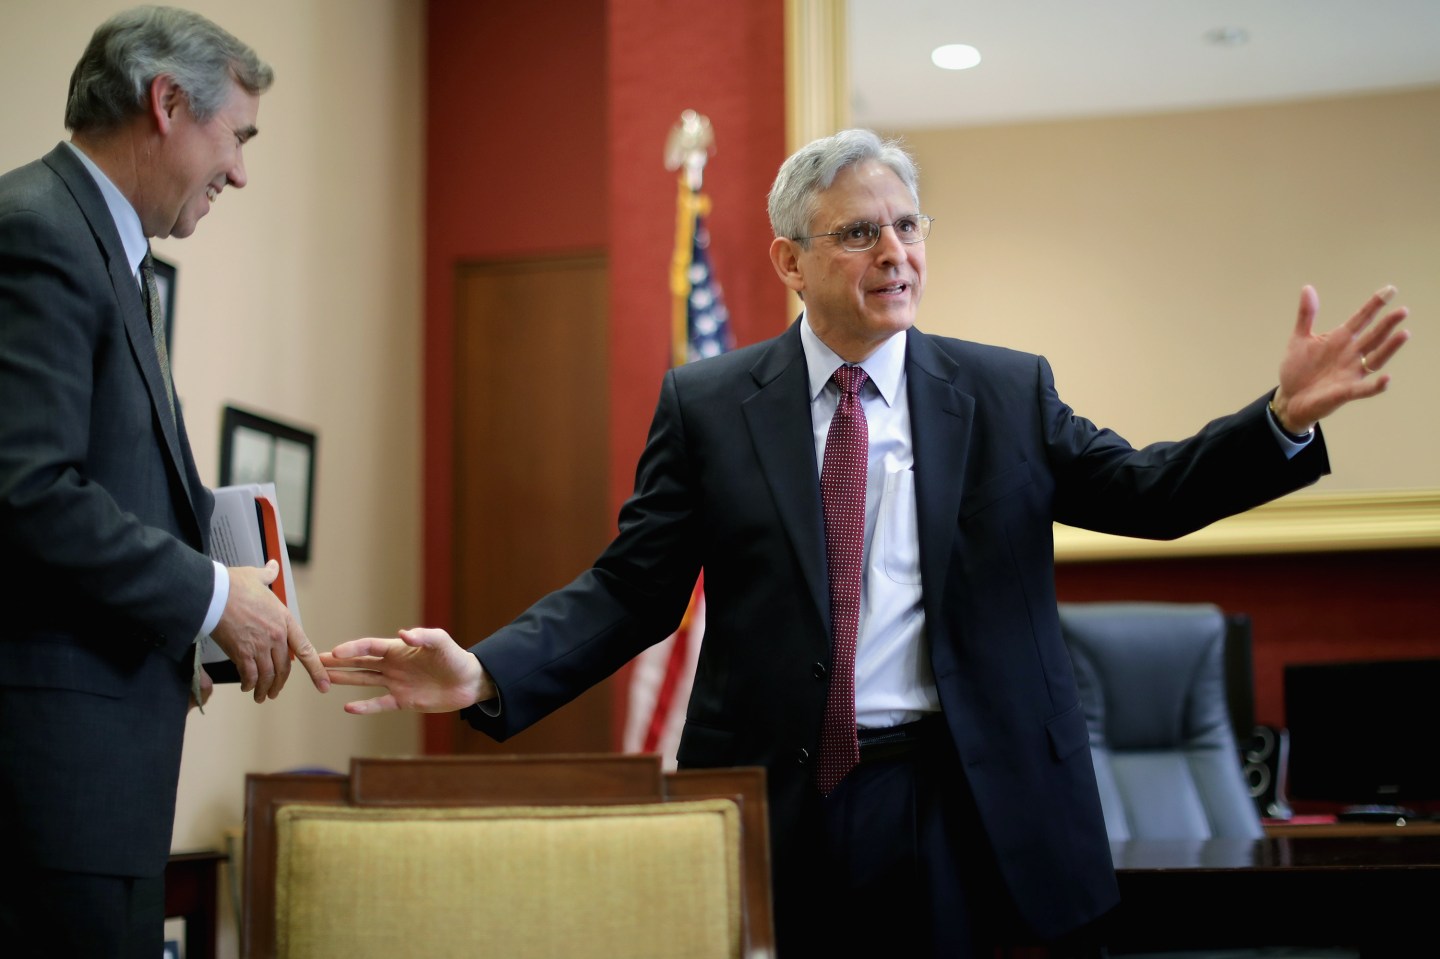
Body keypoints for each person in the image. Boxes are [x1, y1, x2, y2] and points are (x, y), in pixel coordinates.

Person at [321, 129, 1410, 956]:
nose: (895, 252)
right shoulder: (708, 404)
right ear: (792, 261)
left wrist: (1279, 421)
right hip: (794, 799)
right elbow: (633, 588)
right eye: (859, 232)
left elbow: (1149, 491)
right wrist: (483, 669)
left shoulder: (1002, 389)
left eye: (908, 226)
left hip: (973, 799)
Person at [0, 8, 329, 957]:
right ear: (168, 102)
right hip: (51, 794)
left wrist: (219, 606)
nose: (240, 172)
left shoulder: (118, 260)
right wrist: (214, 593)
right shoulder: (38, 233)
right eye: (238, 137)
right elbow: (30, 492)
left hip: (105, 791)